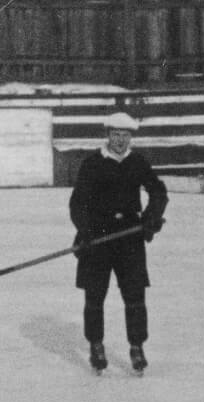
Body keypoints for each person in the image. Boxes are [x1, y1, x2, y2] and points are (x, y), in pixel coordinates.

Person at [68, 111, 168, 374]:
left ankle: (137, 347)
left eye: (125, 135)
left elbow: (157, 190)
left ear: (131, 137)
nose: (120, 140)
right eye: (116, 135)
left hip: (130, 236)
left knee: (135, 295)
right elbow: (78, 203)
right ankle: (96, 345)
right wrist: (86, 232)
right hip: (98, 236)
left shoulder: (137, 162)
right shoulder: (93, 164)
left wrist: (151, 217)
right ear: (107, 135)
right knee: (95, 295)